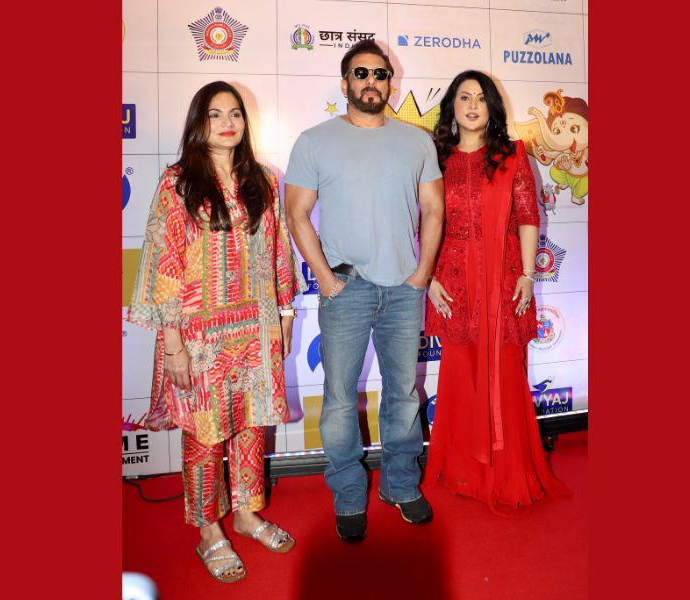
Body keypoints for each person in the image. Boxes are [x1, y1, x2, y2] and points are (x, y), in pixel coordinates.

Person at [127, 81, 305, 584]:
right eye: (214, 114)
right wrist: (174, 345)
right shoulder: (179, 182)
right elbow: (164, 263)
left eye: (235, 114)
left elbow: (278, 250)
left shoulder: (263, 180)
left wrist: (285, 314)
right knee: (204, 435)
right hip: (199, 337)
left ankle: (247, 514)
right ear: (198, 123)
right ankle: (209, 530)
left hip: (256, 327)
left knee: (251, 426)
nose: (227, 123)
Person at [284, 39, 445, 542]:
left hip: (404, 290)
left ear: (390, 82)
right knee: (338, 400)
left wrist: (421, 274)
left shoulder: (417, 141)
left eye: (380, 73)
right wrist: (325, 278)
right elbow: (296, 213)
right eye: (361, 73)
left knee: (402, 394)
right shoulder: (314, 141)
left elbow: (434, 209)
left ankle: (400, 485)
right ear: (345, 82)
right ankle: (349, 493)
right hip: (346, 288)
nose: (371, 81)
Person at [423, 70, 569, 514]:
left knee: (505, 369)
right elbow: (422, 219)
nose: (472, 106)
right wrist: (428, 277)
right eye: (464, 97)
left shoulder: (512, 155)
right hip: (453, 278)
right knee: (460, 372)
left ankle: (507, 473)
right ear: (451, 107)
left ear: (492, 107)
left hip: (503, 278)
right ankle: (463, 471)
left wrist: (527, 274)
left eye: (480, 98)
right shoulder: (435, 157)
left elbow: (528, 216)